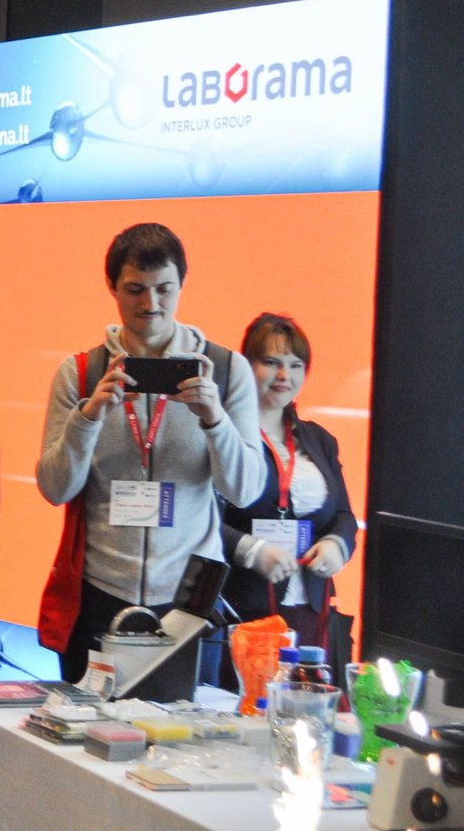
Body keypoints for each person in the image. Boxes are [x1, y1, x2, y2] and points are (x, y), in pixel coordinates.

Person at [36, 223, 265, 682]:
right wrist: (89, 416)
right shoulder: (80, 373)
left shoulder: (224, 370)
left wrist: (214, 419)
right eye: (135, 289)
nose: (150, 304)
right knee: (89, 726)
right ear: (112, 287)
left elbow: (245, 490)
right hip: (100, 592)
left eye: (164, 289)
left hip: (188, 599)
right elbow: (54, 488)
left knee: (183, 727)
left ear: (182, 283)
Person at [218, 313, 358, 679]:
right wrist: (250, 550)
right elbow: (198, 518)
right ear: (246, 367)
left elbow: (343, 515)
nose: (285, 376)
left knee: (306, 703)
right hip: (241, 606)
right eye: (271, 362)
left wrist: (336, 546)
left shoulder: (319, 440)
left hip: (309, 604)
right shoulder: (223, 435)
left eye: (296, 365)